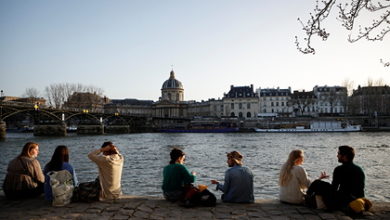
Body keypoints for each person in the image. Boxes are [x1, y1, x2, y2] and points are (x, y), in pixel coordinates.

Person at [307, 145, 366, 211]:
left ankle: (307, 198)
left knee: (317, 183)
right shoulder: (359, 169)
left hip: (344, 200)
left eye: (339, 154)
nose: (337, 156)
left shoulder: (339, 169)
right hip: (357, 198)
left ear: (345, 156)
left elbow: (334, 188)